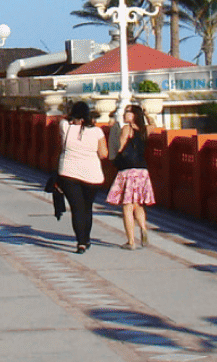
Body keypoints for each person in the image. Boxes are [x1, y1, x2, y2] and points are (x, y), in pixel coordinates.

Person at [58, 100, 108, 253]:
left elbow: (62, 120)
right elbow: (103, 154)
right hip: (92, 175)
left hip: (68, 173)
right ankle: (86, 239)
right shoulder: (97, 132)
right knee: (87, 208)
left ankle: (80, 242)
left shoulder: (65, 127)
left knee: (76, 208)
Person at [107, 103, 155, 249]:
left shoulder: (126, 129)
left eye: (128, 112)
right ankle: (144, 229)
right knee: (138, 204)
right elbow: (153, 123)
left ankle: (131, 241)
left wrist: (113, 133)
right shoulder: (145, 130)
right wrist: (146, 113)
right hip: (142, 171)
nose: (125, 114)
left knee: (127, 206)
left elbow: (119, 147)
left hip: (128, 171)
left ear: (134, 115)